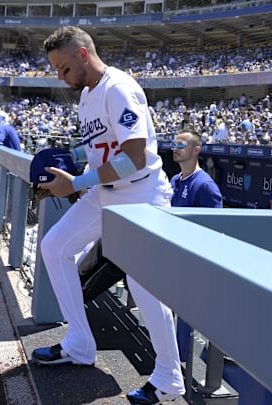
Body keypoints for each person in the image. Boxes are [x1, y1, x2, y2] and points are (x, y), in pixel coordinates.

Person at [32, 26, 185, 404]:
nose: (60, 76)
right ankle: (80, 344)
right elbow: (103, 153)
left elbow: (133, 160)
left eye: (64, 67)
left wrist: (77, 181)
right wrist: (66, 172)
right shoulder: (87, 95)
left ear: (83, 55)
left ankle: (169, 378)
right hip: (105, 192)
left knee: (142, 284)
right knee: (54, 246)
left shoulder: (119, 88)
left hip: (142, 193)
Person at [170, 129, 223, 363]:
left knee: (185, 316)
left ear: (196, 150)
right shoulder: (174, 180)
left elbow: (216, 230)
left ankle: (181, 363)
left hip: (192, 262)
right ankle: (171, 357)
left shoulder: (205, 185)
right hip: (174, 256)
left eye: (182, 145)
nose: (176, 148)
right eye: (175, 144)